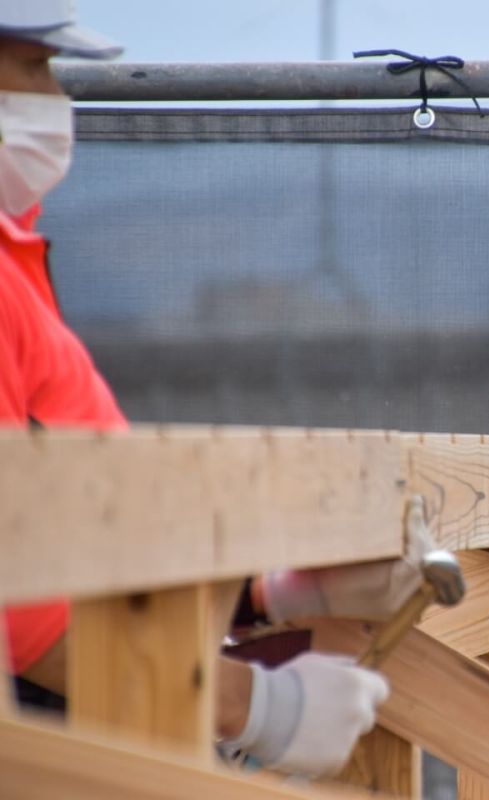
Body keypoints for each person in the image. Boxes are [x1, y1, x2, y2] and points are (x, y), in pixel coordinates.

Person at [0, 1, 430, 778]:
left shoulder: (14, 265)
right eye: (33, 68)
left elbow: (93, 547)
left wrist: (266, 597)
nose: (55, 97)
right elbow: (22, 604)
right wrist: (254, 706)